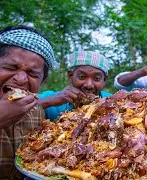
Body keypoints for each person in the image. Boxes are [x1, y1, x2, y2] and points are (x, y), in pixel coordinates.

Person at [0, 25, 55, 179]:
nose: (21, 79)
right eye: (10, 67)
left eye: (33, 74)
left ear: (41, 82)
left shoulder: (36, 111)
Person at [39, 50, 112, 121]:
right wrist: (48, 101)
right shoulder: (49, 98)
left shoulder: (112, 101)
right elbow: (28, 106)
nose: (89, 85)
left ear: (104, 80)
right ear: (70, 76)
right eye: (82, 77)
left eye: (97, 78)